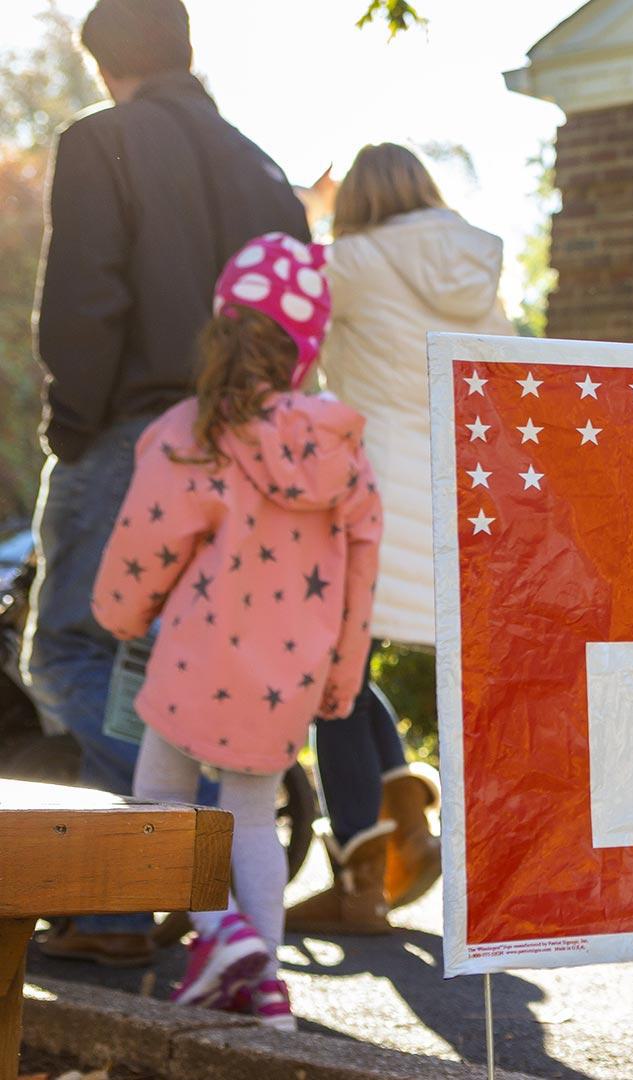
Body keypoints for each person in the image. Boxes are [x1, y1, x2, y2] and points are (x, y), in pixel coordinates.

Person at [25, 0, 309, 967]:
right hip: (250, 446)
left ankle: (147, 885)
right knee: (165, 668)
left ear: (105, 63)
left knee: (68, 652)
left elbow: (86, 296)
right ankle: (134, 909)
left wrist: (71, 427)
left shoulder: (103, 140)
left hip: (132, 431)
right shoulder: (263, 168)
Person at [91, 231, 381, 1029]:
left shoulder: (191, 431)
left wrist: (119, 615)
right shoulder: (343, 450)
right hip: (287, 675)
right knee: (253, 817)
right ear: (304, 349)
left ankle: (221, 936)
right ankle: (267, 992)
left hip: (192, 660)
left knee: (157, 802)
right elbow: (361, 574)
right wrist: (342, 678)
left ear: (221, 328)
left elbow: (145, 544)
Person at [285, 143, 511, 932]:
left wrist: (306, 208)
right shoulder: (476, 265)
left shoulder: (349, 260)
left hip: (368, 499)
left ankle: (360, 878)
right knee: (343, 670)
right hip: (463, 495)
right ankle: (406, 816)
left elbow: (281, 293)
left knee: (330, 677)